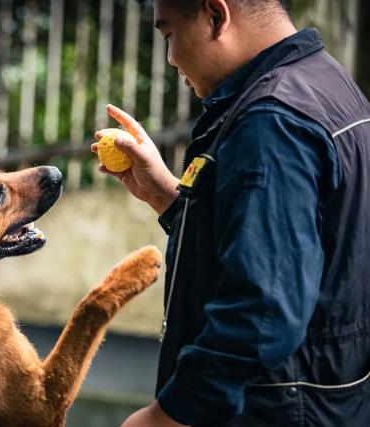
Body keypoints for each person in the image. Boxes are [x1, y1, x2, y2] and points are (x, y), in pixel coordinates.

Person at [91, 0, 370, 426]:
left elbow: (263, 310)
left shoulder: (271, 120)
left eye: (169, 35)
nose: (170, 58)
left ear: (216, 16)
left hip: (275, 411)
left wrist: (169, 416)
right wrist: (168, 197)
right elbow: (301, 250)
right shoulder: (327, 83)